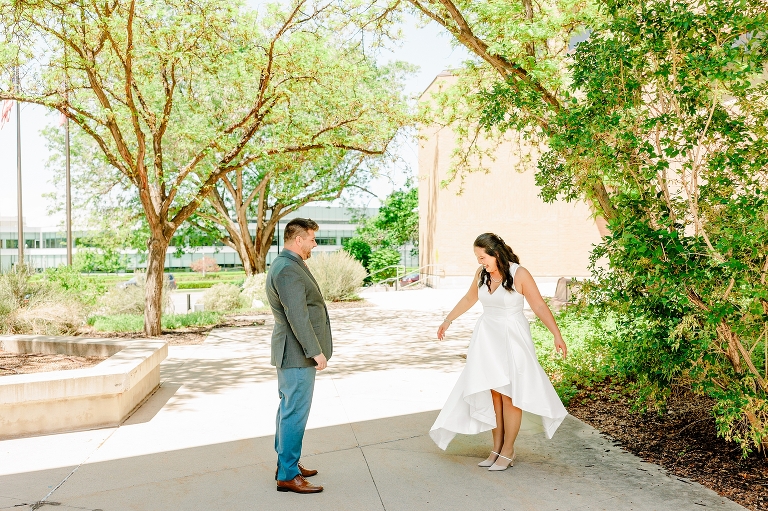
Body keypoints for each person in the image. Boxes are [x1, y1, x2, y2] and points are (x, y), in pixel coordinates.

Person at [429, 233, 568, 471]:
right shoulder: (482, 274)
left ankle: (508, 449)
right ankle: (496, 448)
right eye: (477, 258)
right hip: (487, 337)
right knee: (493, 393)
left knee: (510, 394)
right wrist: (447, 320)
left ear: (496, 253)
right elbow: (468, 298)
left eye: (483, 257)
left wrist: (557, 334)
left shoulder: (519, 273)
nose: (480, 262)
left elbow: (538, 305)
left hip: (512, 337)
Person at [266, 218, 332, 494]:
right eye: (312, 239)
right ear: (298, 239)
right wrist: (314, 351)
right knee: (294, 413)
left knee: (288, 410)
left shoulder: (287, 264)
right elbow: (297, 316)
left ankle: (286, 464)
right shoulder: (287, 269)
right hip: (296, 353)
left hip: (292, 352)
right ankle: (288, 475)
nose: (314, 244)